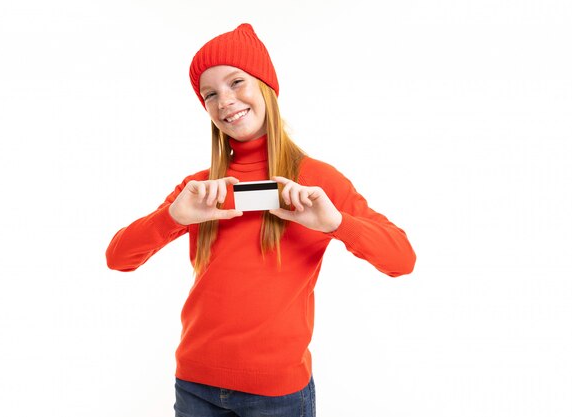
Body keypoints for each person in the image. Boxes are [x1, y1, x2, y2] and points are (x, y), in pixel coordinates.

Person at [106, 23, 416, 417]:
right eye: (210, 95)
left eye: (237, 82)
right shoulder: (200, 188)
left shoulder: (318, 181)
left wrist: (337, 223)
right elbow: (118, 257)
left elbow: (402, 260)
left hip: (277, 395)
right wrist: (173, 217)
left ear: (266, 87)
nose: (225, 101)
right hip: (195, 385)